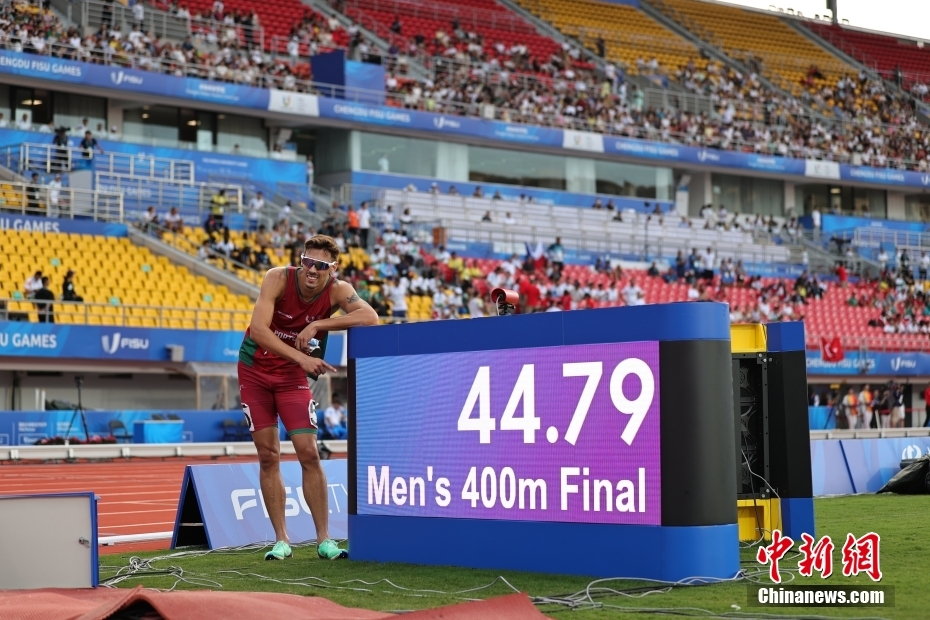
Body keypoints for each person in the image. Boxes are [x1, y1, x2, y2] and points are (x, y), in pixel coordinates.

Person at [238, 234, 378, 561]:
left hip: (291, 378)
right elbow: (259, 330)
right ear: (300, 260)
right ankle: (281, 540)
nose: (313, 270)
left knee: (309, 453)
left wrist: (319, 324)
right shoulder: (277, 278)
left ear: (333, 268)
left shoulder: (338, 290)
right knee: (268, 455)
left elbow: (370, 317)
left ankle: (324, 540)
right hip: (255, 371)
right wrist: (302, 358)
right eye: (308, 262)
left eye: (321, 265)